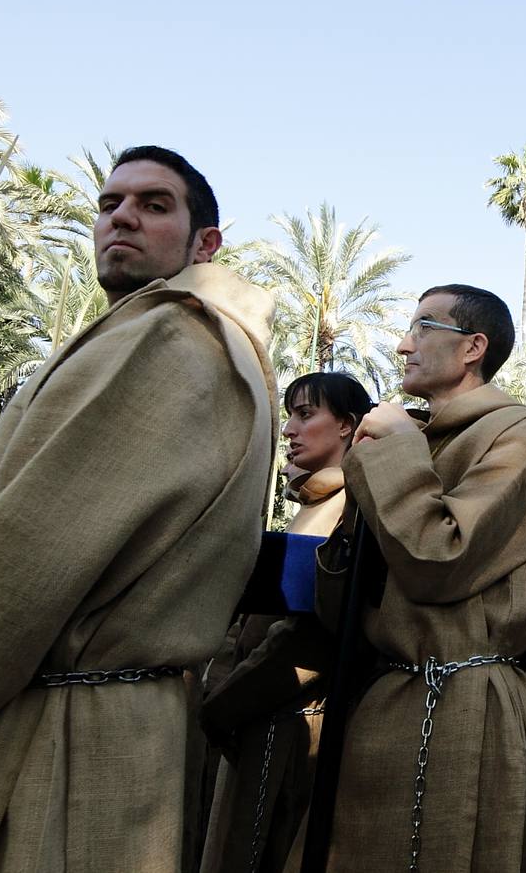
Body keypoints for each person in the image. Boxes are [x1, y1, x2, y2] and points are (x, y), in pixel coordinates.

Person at [0, 145, 277, 872]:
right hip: (120, 732)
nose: (121, 217)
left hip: (54, 746)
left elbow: (17, 572)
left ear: (207, 243)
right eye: (109, 204)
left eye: (154, 204)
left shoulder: (169, 334)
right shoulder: (225, 347)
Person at [317, 285, 526, 872]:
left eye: (421, 327)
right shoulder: (412, 433)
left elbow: (440, 558)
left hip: (468, 709)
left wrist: (396, 451)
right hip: (386, 700)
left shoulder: (521, 434)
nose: (401, 345)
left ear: (473, 347)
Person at [200, 372, 373, 873]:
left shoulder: (352, 508)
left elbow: (315, 634)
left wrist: (225, 703)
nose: (292, 430)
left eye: (307, 415)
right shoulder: (313, 504)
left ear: (345, 426)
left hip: (291, 724)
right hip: (249, 718)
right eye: (290, 415)